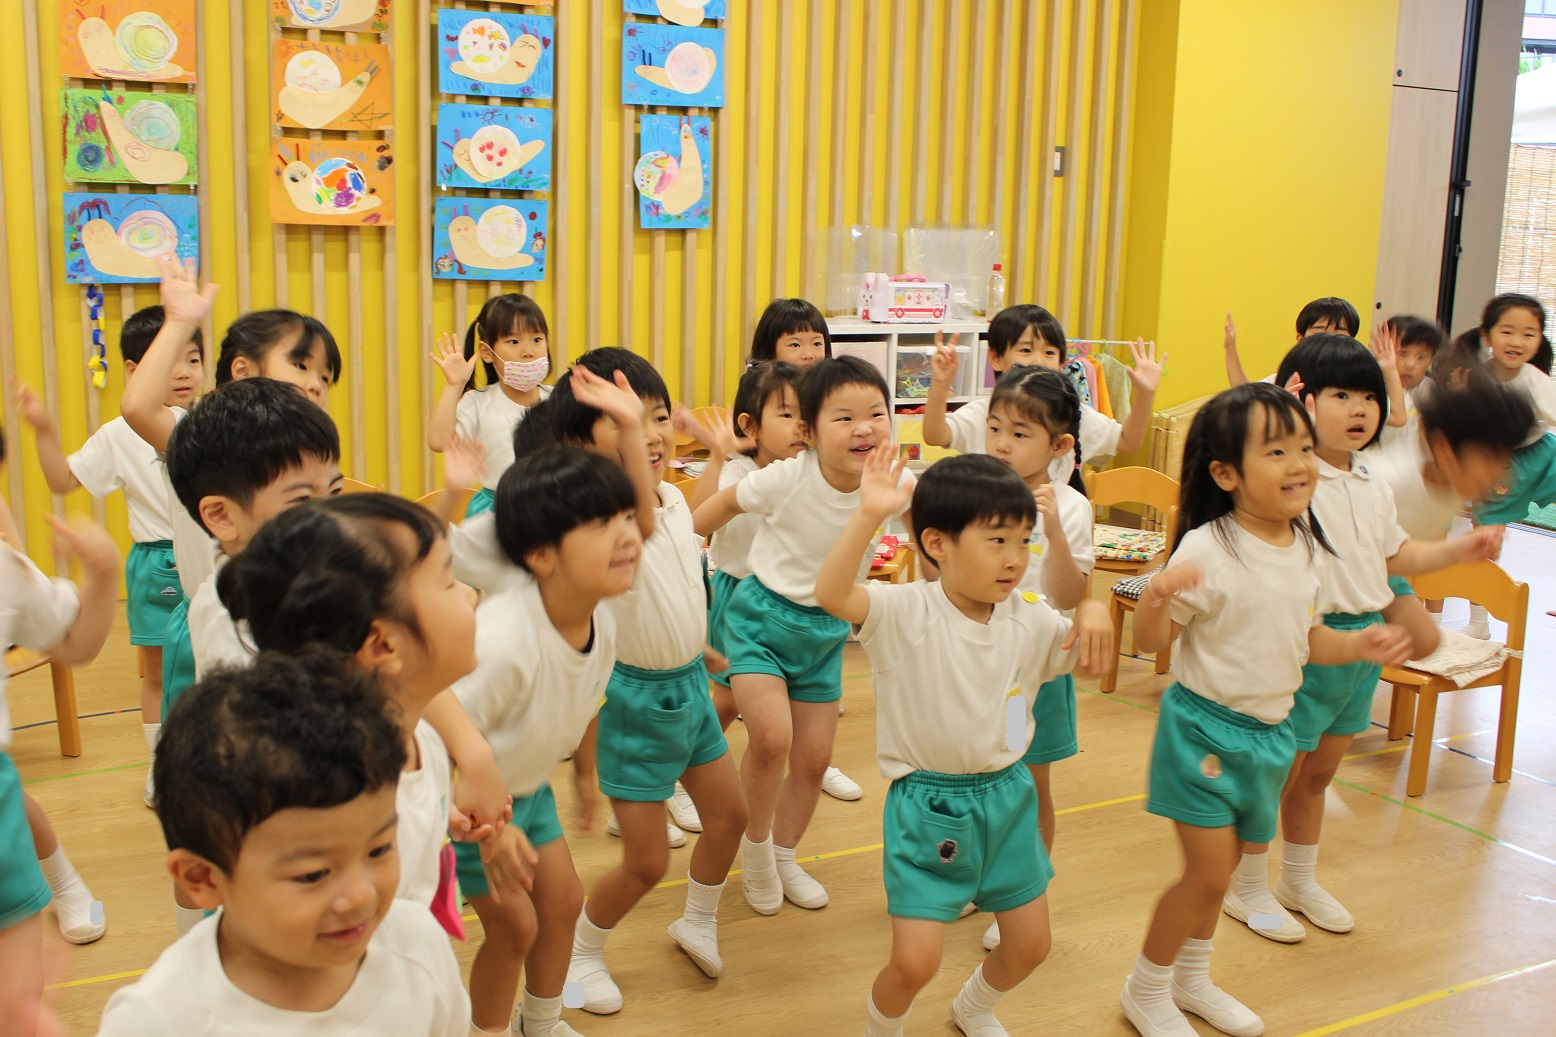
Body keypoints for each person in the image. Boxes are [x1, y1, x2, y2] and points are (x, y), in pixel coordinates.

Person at [1119, 383, 1411, 1037]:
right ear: (1226, 474)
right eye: (1276, 451)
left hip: (1270, 736)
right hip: (1202, 735)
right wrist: (1157, 593)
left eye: (1304, 447)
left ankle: (1192, 978)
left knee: (1221, 874)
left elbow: (1307, 639)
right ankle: (1146, 988)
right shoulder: (1208, 547)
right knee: (1206, 875)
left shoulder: (1305, 544)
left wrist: (1358, 643)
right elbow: (1152, 642)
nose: (1300, 463)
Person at [815, 450, 1112, 1037]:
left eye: (1023, 541)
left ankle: (973, 1007)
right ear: (938, 543)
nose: (1015, 558)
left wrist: (1094, 608)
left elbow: (1083, 657)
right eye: (997, 540)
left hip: (1009, 798)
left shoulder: (1031, 617)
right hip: (928, 808)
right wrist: (869, 513)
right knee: (914, 962)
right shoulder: (904, 610)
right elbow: (831, 593)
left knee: (1030, 945)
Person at [1223, 336, 1499, 946]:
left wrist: (1458, 549)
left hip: (1361, 644)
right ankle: (1246, 885)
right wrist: (1275, 421)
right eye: (1341, 395)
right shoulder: (1290, 476)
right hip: (1305, 645)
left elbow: (1395, 555)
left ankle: (1298, 878)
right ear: (1304, 401)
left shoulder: (1372, 482)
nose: (1359, 408)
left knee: (1319, 775)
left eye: (1369, 397)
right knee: (1277, 775)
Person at [96, 651, 469, 1037]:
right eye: (313, 875)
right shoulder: (153, 1021)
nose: (361, 896)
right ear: (202, 878)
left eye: (379, 850)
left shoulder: (419, 947)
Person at [536, 351, 748, 1015]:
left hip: (687, 685)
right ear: (578, 444)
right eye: (627, 420)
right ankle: (581, 953)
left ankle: (697, 920)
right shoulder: (597, 512)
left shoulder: (674, 499)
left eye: (657, 416)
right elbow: (633, 532)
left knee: (730, 816)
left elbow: (674, 580)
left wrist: (696, 646)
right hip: (633, 701)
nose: (651, 433)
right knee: (646, 861)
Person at [215, 494, 524, 917]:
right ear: (382, 645)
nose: (471, 595)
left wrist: (432, 815)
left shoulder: (423, 741)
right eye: (449, 583)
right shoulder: (343, 807)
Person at [694, 356, 910, 916]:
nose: (864, 428)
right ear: (808, 432)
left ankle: (784, 853)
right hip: (759, 620)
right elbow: (721, 506)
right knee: (771, 739)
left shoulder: (893, 481)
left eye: (877, 414)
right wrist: (673, 546)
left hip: (825, 634)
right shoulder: (788, 477)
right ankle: (756, 850)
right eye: (844, 418)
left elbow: (932, 538)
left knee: (814, 761)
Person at [452, 446, 640, 1036]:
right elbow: (435, 738)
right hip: (464, 809)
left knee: (561, 905)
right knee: (514, 929)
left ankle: (539, 1022)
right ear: (540, 555)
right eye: (600, 523)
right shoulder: (504, 639)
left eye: (626, 516)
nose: (628, 534)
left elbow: (585, 700)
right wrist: (489, 825)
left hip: (526, 793)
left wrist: (584, 774)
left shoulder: (601, 615)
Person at [12, 305, 202, 807]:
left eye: (193, 359)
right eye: (170, 360)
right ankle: (161, 768)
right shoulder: (121, 433)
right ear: (136, 371)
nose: (184, 371)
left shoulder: (214, 421)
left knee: (210, 668)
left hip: (209, 559)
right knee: (159, 674)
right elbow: (62, 480)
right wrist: (44, 430)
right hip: (157, 565)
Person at [688, 361, 865, 810]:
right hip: (742, 599)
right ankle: (682, 770)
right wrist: (716, 456)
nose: (798, 425)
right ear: (750, 425)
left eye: (804, 414)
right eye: (786, 414)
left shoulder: (817, 470)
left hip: (798, 609)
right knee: (728, 703)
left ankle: (813, 762)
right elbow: (700, 517)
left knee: (798, 703)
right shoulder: (740, 473)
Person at [0, 429, 120, 1037]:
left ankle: (67, 884)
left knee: (19, 1003)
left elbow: (77, 644)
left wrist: (104, 574)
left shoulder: (6, 572)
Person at [975, 365, 1094, 952]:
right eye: (995, 427)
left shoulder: (1069, 507)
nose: (1001, 442)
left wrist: (1052, 529)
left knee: (1026, 787)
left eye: (1019, 433)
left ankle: (1020, 895)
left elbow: (1072, 596)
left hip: (1036, 674)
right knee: (975, 779)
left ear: (1060, 445)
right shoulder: (977, 492)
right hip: (978, 665)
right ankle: (980, 879)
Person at [922, 305, 1163, 483]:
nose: (1038, 361)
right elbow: (935, 435)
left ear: (1061, 363)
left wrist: (1145, 394)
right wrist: (940, 385)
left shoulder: (1069, 414)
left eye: (1049, 353)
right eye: (1026, 350)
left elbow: (1128, 441)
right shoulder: (984, 412)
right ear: (995, 358)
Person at [426, 294, 553, 518]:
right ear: (487, 352)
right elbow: (438, 441)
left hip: (551, 504)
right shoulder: (478, 403)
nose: (528, 351)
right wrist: (454, 385)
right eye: (514, 341)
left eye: (536, 339)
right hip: (495, 509)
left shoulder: (557, 398)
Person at [1221, 296, 1361, 388]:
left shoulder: (1359, 381)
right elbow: (1248, 398)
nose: (1328, 342)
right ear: (1301, 340)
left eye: (1339, 335)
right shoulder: (1287, 379)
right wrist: (1231, 349)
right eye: (1320, 334)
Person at [747, 298, 832, 366]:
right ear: (769, 351)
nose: (808, 355)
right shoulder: (758, 382)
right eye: (795, 345)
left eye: (817, 344)